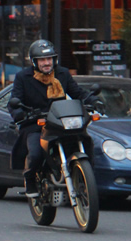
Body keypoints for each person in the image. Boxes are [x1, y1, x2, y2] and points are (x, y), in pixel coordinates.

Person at [8, 40, 89, 197]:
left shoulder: (62, 74)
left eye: (49, 59)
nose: (46, 63)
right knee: (36, 152)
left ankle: (84, 176)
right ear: (34, 62)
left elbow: (78, 93)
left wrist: (93, 101)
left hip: (60, 121)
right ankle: (30, 178)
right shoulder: (23, 77)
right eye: (42, 60)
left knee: (84, 139)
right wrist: (19, 113)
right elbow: (14, 101)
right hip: (36, 123)